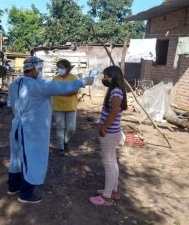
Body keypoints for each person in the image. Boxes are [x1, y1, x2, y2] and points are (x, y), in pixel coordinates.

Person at [7, 56, 97, 203]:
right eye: (40, 69)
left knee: (17, 158)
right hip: (32, 129)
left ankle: (13, 186)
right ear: (33, 69)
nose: (41, 72)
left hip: (17, 126)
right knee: (33, 159)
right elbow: (61, 87)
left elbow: (10, 104)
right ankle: (26, 194)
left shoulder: (15, 84)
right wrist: (83, 82)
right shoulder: (37, 86)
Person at [89, 65, 128, 206]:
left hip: (110, 133)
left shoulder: (116, 92)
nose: (104, 79)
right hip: (113, 132)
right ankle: (113, 191)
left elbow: (113, 114)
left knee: (109, 164)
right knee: (113, 163)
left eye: (106, 76)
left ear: (112, 77)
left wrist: (103, 128)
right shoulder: (116, 90)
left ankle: (106, 197)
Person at [51, 59, 79, 156]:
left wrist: (62, 91)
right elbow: (54, 90)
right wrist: (67, 91)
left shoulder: (74, 78)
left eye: (61, 68)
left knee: (71, 128)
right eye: (58, 67)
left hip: (71, 106)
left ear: (67, 68)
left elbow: (75, 91)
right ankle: (60, 148)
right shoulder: (55, 79)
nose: (59, 69)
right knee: (60, 127)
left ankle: (65, 141)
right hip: (57, 105)